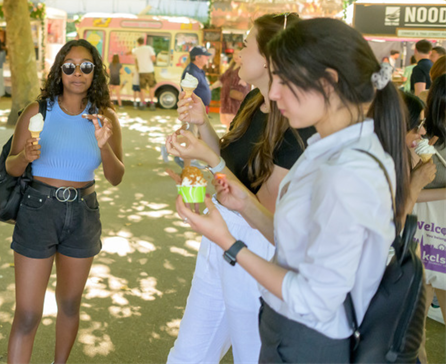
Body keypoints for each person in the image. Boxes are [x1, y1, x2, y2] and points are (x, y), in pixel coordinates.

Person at [176, 18, 409, 362]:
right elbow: (295, 242)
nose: (272, 92)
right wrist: (245, 206)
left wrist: (230, 244)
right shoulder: (326, 149)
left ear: (327, 81)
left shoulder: (348, 171)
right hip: (288, 333)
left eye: (284, 80)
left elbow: (315, 299)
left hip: (308, 343)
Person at [165, 13, 314, 363]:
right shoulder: (252, 101)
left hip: (257, 249)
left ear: (270, 58)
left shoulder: (298, 126)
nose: (237, 52)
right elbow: (226, 164)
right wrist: (201, 125)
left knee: (252, 353)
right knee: (188, 354)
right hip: (221, 234)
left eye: (246, 44)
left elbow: (262, 211)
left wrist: (209, 165)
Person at [5, 39, 125, 364]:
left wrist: (104, 145)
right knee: (28, 313)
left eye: (86, 66)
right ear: (60, 70)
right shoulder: (37, 111)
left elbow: (116, 176)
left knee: (70, 304)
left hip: (83, 214)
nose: (77, 73)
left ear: (94, 72)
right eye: (69, 66)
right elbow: (10, 167)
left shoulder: (105, 118)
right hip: (38, 210)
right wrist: (25, 156)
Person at [410, 78, 446, 363]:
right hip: (422, 235)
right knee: (414, 325)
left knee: (415, 324)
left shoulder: (423, 138)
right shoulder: (421, 139)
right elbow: (405, 191)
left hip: (422, 236)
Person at [209, 48, 249, 129]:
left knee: (234, 125)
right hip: (227, 101)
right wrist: (211, 87)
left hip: (236, 103)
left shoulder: (245, 69)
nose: (236, 56)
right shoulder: (231, 67)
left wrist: (246, 81)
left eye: (239, 54)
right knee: (228, 124)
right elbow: (222, 80)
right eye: (235, 54)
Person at [130, 37, 157, 110]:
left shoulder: (136, 50)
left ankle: (143, 103)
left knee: (142, 88)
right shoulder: (149, 48)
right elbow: (153, 58)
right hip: (150, 70)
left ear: (138, 43)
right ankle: (152, 103)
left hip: (141, 72)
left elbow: (132, 54)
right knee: (151, 88)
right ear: (144, 41)